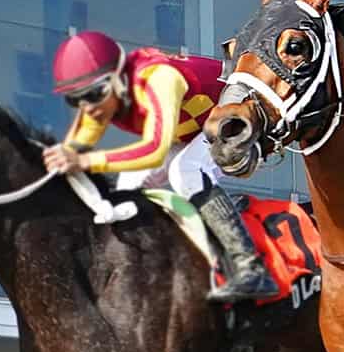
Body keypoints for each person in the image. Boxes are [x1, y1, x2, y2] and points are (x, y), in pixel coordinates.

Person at [42, 31, 277, 302]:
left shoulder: (159, 79)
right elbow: (76, 146)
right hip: (194, 130)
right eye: (76, 99)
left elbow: (155, 150)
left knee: (185, 171)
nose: (89, 107)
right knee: (127, 185)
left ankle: (249, 266)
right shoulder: (100, 101)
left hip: (241, 115)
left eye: (95, 94)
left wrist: (84, 161)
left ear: (118, 78)